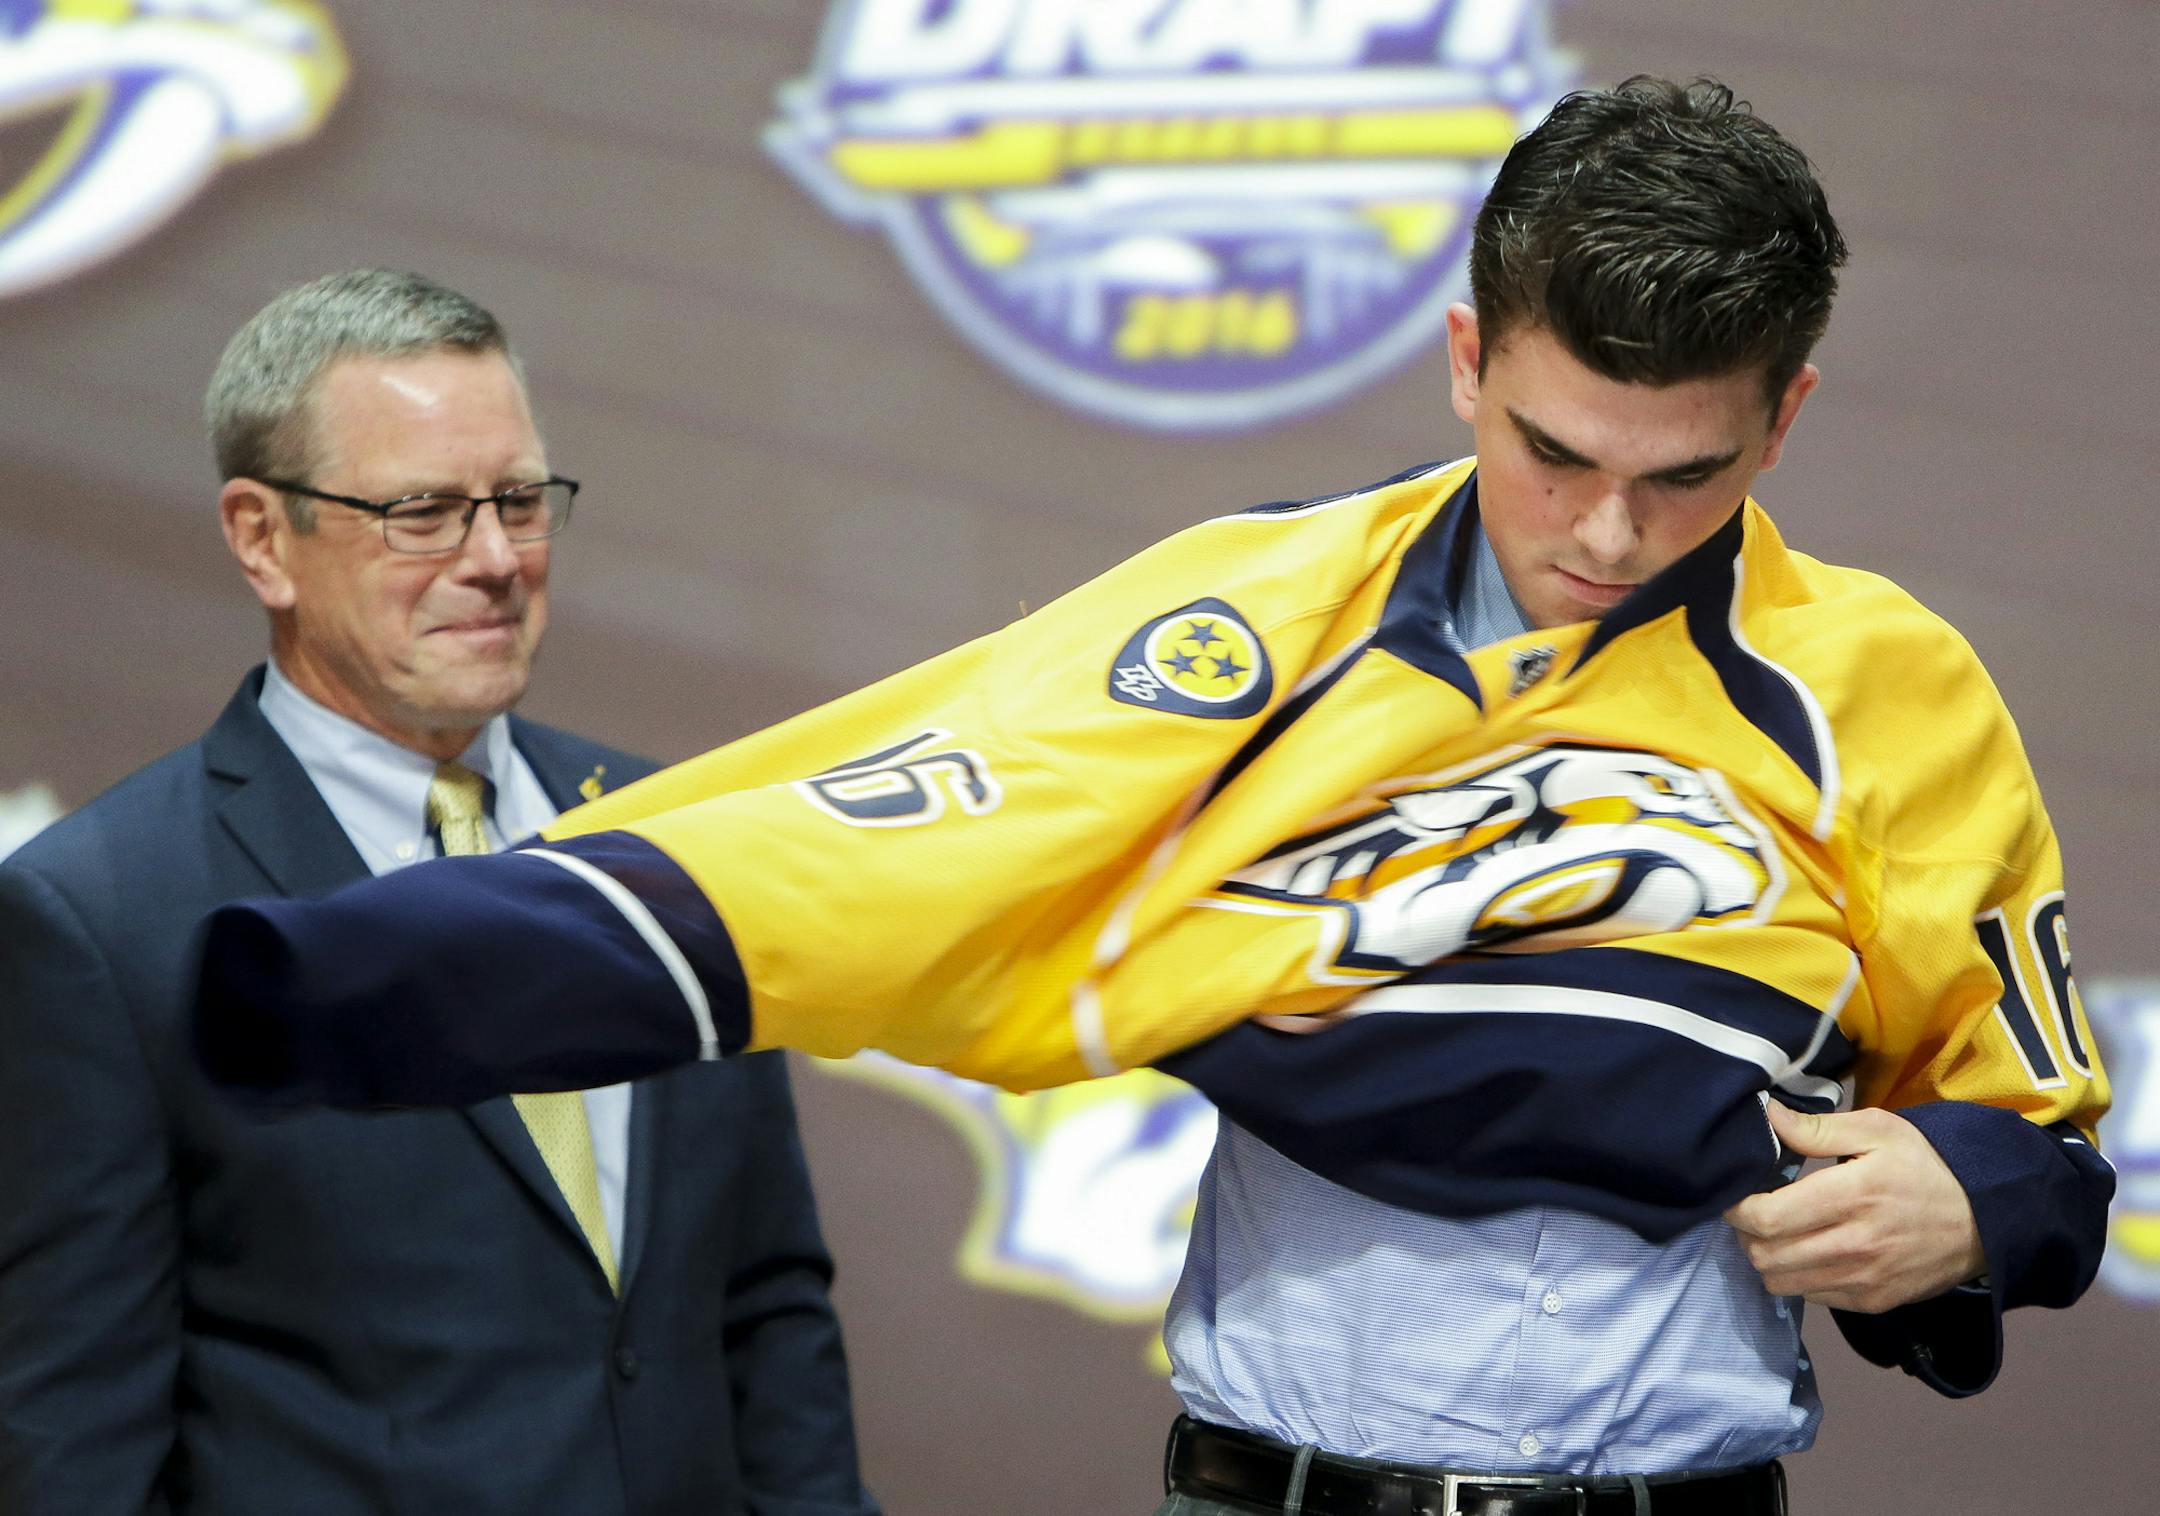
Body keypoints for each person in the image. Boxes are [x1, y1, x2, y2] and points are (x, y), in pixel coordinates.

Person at [189, 82, 2112, 1515]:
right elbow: (858, 851)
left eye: (1686, 475)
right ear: (1464, 361)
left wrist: (1971, 1197)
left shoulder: (1888, 686)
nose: (1609, 529)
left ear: (1788, 418)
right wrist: (352, 981)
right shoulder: (1249, 614)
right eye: (1557, 451)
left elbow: (2032, 1137)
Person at [0, 269, 878, 1516]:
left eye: (519, 501)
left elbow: (765, 1301)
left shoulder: (678, 836)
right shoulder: (99, 916)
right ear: (262, 537)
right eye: (421, 511)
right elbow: (72, 1427)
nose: (493, 560)